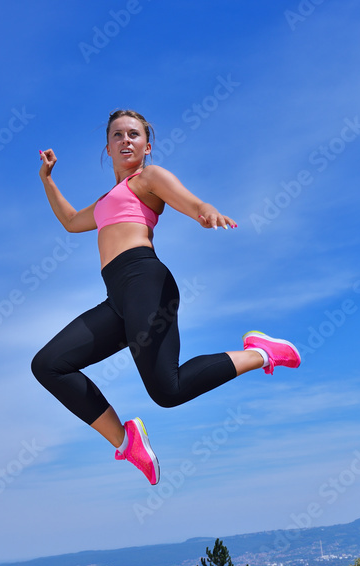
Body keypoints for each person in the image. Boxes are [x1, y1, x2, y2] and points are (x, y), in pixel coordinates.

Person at [32, 109, 300, 486]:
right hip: (117, 299)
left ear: (147, 145)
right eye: (118, 135)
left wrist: (206, 212)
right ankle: (127, 442)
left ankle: (261, 352)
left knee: (169, 391)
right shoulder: (109, 199)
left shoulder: (148, 178)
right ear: (107, 147)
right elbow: (73, 221)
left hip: (146, 281)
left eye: (134, 135)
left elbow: (188, 201)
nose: (126, 140)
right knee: (48, 365)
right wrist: (47, 180)